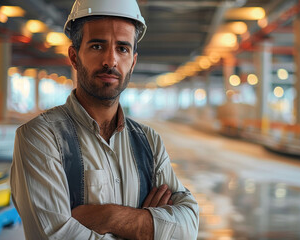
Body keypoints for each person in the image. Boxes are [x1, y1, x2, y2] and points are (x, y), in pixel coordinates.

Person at [10, 0, 199, 239]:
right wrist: (149, 227)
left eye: (122, 48)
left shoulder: (149, 143)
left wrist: (109, 217)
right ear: (74, 56)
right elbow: (56, 235)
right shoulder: (40, 138)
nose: (111, 61)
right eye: (97, 46)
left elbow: (189, 228)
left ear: (133, 61)